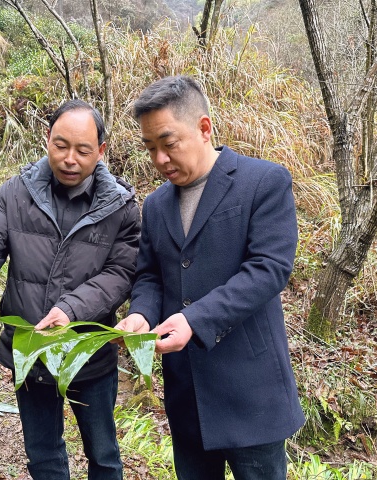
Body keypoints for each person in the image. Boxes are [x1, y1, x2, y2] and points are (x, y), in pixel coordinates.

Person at [115, 75, 305, 479]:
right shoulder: (156, 205)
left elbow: (269, 268)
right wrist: (141, 314)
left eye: (168, 143)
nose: (160, 159)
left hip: (252, 392)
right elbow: (149, 276)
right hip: (188, 394)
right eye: (150, 148)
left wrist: (194, 320)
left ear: (204, 128)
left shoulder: (263, 182)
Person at [0, 99, 141, 480]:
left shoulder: (120, 206)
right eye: (61, 145)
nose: (70, 159)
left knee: (103, 453)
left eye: (83, 150)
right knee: (43, 455)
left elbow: (121, 272)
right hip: (31, 352)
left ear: (101, 151)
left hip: (89, 355)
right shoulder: (17, 193)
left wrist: (73, 309)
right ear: (47, 138)